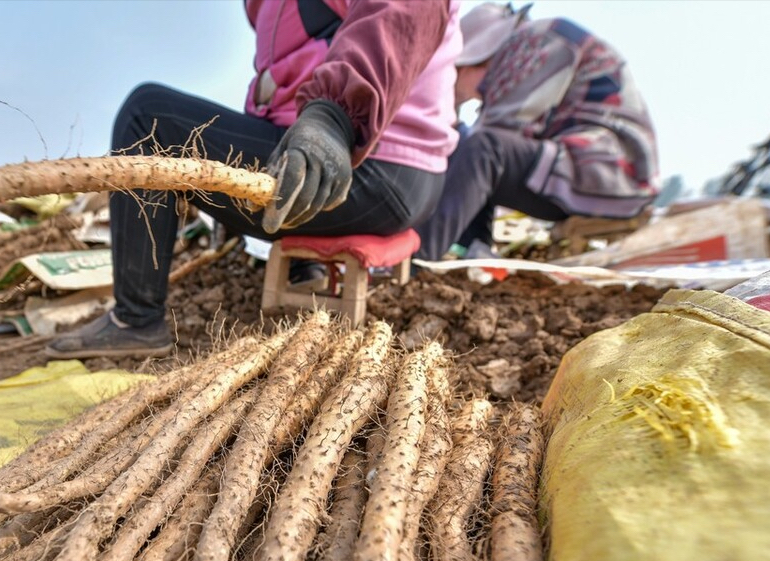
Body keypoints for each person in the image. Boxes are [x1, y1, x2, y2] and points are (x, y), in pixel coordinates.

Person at [45, 0, 463, 359]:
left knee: (148, 117)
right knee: (226, 129)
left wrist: (333, 117)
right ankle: (305, 270)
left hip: (364, 166)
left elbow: (401, 11)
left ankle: (135, 319)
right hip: (386, 174)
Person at [414, 3, 659, 261]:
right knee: (478, 151)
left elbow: (496, 133)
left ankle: (416, 262)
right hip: (597, 176)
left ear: (477, 60)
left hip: (613, 173)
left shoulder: (535, 41)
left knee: (482, 150)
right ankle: (474, 252)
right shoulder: (531, 48)